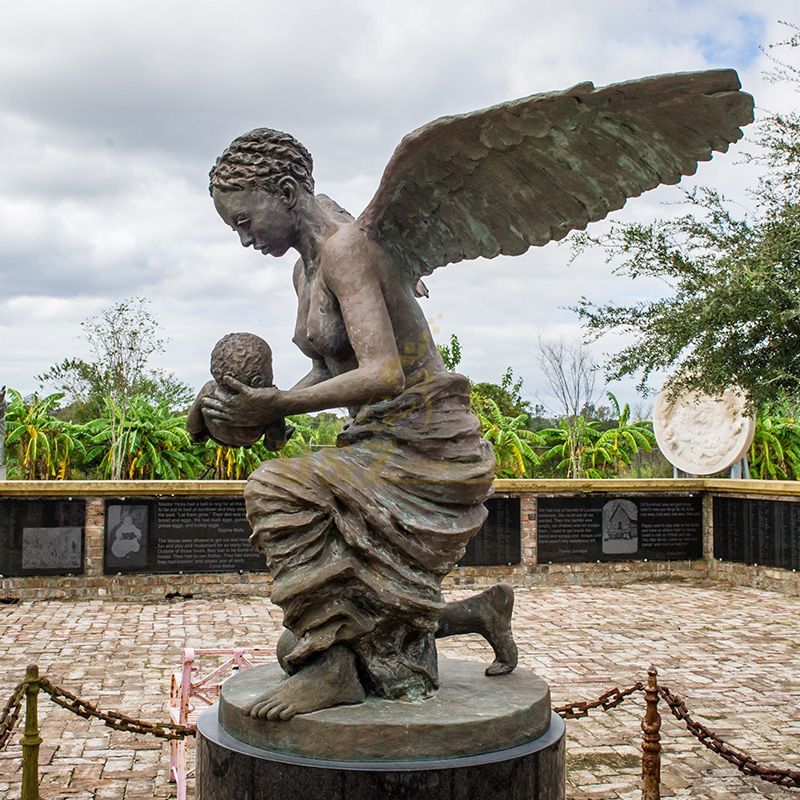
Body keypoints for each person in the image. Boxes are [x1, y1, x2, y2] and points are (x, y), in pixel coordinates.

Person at [201, 128, 516, 722]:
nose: (244, 238)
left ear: (288, 193)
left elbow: (383, 373)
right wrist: (256, 408)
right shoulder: (305, 272)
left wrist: (275, 406)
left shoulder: (348, 249)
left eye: (245, 221)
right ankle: (478, 614)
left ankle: (337, 671)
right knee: (308, 632)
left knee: (276, 489)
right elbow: (327, 367)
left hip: (429, 441)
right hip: (376, 439)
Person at [187, 332, 291, 451]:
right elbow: (272, 446)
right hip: (248, 439)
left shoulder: (210, 388)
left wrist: (196, 435)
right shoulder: (266, 404)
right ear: (258, 381)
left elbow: (192, 426)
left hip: (217, 436)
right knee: (276, 423)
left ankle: (199, 439)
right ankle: (283, 439)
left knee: (195, 432)